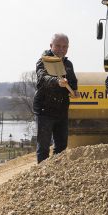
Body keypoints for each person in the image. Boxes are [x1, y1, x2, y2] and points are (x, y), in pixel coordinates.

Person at [33, 33, 78, 163]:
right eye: (58, 46)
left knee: (61, 146)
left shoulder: (68, 64)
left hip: (62, 110)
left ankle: (57, 173)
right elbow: (43, 78)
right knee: (43, 147)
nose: (61, 49)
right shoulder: (43, 61)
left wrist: (74, 91)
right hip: (44, 110)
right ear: (51, 46)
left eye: (64, 47)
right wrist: (56, 81)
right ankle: (42, 174)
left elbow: (73, 82)